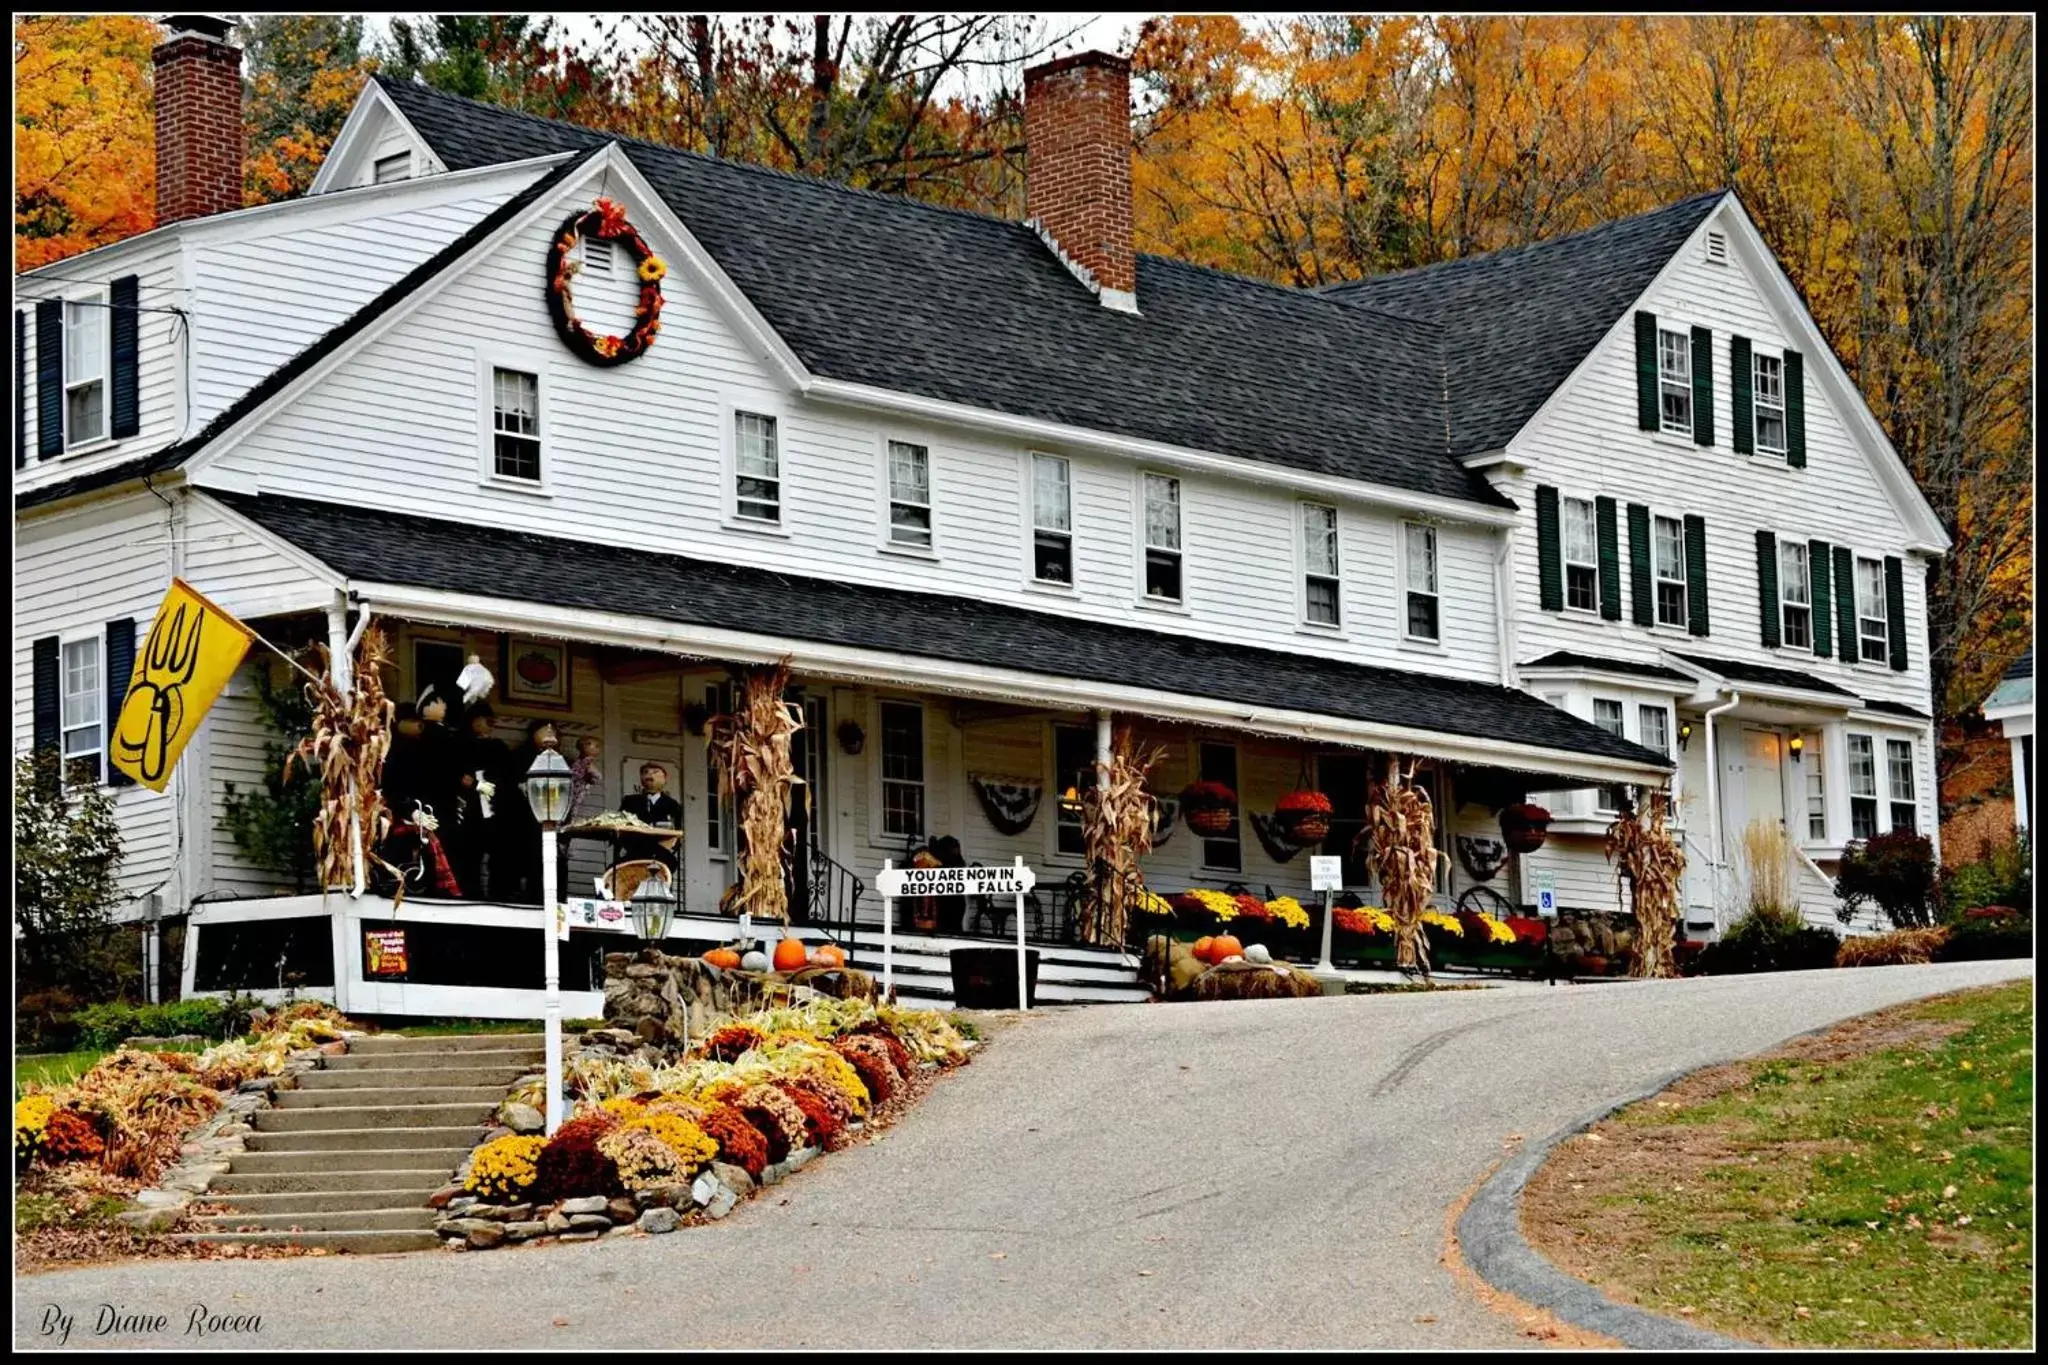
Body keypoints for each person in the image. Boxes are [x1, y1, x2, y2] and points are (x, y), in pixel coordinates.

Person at [496, 720, 562, 904]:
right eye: (543, 732)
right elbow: (509, 784)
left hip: (545, 818)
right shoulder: (520, 755)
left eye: (552, 733)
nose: (548, 737)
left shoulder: (558, 758)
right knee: (515, 856)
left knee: (541, 858)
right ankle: (511, 892)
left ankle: (539, 895)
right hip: (518, 816)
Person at [460, 702, 513, 900]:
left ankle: (499, 894)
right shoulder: (463, 745)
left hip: (495, 807)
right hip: (470, 807)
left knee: (499, 853)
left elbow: (508, 775)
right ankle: (470, 893)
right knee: (470, 853)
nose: (489, 724)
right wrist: (471, 783)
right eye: (484, 719)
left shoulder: (498, 747)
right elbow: (457, 774)